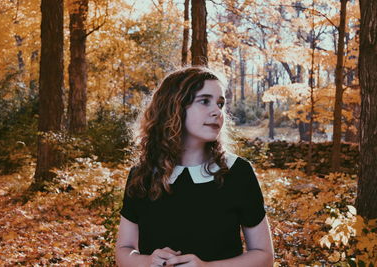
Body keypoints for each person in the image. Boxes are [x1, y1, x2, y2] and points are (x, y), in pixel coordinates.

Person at [115, 66, 274, 267]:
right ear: (174, 106)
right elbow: (124, 250)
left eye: (220, 103)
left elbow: (265, 256)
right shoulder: (143, 174)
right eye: (204, 101)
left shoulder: (237, 172)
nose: (217, 111)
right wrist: (147, 261)